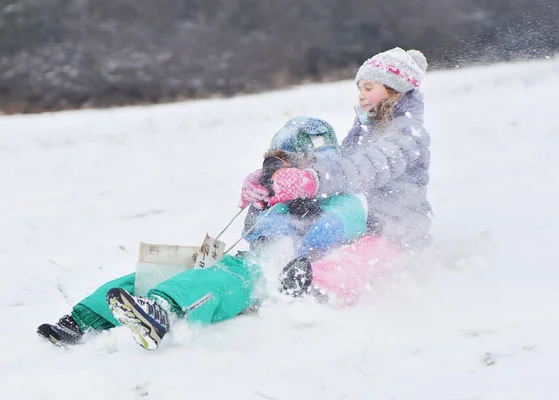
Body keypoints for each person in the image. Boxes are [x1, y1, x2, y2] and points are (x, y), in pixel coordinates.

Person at [37, 117, 368, 350]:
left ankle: (161, 312)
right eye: (274, 164)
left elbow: (334, 230)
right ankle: (85, 319)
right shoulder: (278, 194)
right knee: (172, 269)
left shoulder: (344, 199)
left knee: (216, 281)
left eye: (286, 163)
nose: (279, 171)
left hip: (270, 274)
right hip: (247, 256)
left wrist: (303, 203)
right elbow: (253, 234)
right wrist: (260, 201)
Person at [240, 47, 432, 251]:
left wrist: (313, 180)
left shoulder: (407, 134)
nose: (361, 96)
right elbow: (337, 163)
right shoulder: (366, 127)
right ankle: (271, 256)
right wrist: (275, 176)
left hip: (397, 232)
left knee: (340, 261)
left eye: (368, 88)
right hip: (360, 222)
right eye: (360, 89)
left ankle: (310, 278)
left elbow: (364, 167)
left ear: (394, 89)